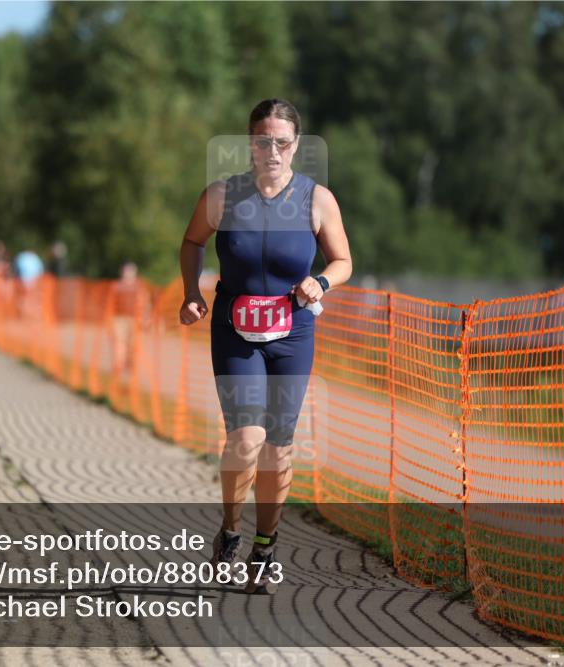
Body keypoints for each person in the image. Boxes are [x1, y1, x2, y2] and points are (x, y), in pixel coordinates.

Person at [178, 99, 352, 593]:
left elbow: (343, 261)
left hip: (293, 331)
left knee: (278, 447)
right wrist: (192, 293)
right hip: (235, 329)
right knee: (246, 439)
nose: (271, 150)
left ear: (295, 145)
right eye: (262, 141)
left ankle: (266, 545)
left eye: (282, 141)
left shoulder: (318, 200)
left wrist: (321, 281)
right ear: (249, 144)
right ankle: (231, 531)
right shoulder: (221, 196)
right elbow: (191, 243)